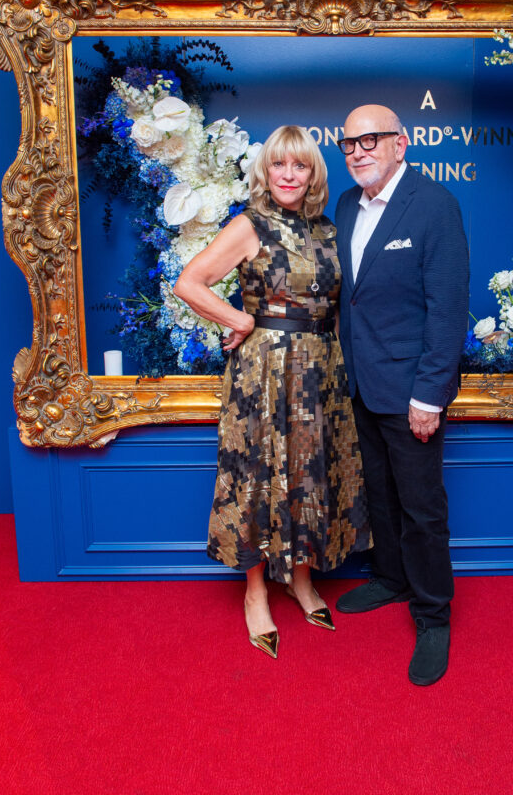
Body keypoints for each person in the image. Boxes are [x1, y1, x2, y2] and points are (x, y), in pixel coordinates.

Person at [173, 125, 369, 659]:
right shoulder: (249, 225)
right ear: (265, 172)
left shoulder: (327, 230)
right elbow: (189, 282)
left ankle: (301, 580)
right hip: (263, 371)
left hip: (320, 369)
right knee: (258, 474)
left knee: (309, 473)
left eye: (299, 166)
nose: (288, 175)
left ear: (313, 174)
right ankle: (256, 590)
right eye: (279, 164)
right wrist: (239, 319)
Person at [334, 104, 469, 686]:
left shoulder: (434, 205)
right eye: (349, 143)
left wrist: (429, 396)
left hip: (412, 391)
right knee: (380, 497)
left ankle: (433, 614)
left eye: (371, 139)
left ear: (400, 143)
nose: (359, 151)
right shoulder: (346, 204)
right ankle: (391, 578)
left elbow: (448, 310)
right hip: (361, 385)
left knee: (421, 508)